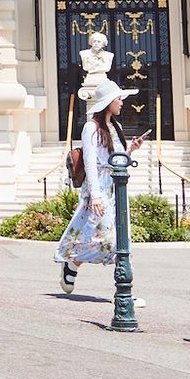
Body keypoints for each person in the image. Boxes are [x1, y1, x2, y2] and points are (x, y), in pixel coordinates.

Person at [56, 77, 146, 295]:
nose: (122, 103)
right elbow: (90, 163)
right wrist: (95, 195)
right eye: (118, 99)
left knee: (120, 237)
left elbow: (116, 160)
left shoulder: (116, 127)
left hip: (115, 188)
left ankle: (124, 291)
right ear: (108, 102)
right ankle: (74, 262)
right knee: (105, 238)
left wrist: (131, 150)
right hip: (98, 189)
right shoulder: (91, 128)